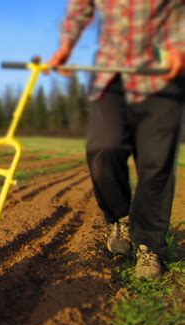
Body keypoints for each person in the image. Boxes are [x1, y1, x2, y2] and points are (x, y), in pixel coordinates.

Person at [49, 0, 184, 279]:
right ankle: (120, 218)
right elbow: (80, 7)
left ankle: (149, 246)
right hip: (111, 75)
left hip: (161, 76)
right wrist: (66, 45)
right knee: (102, 149)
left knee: (156, 163)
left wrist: (179, 46)